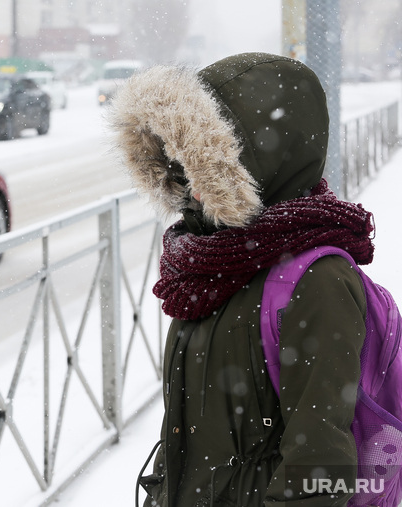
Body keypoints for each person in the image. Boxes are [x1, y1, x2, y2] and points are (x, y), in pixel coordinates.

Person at [108, 52, 375, 506]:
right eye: (181, 162)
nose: (190, 186)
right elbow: (187, 433)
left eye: (206, 165)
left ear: (265, 164)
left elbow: (320, 470)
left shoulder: (317, 282)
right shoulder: (208, 265)